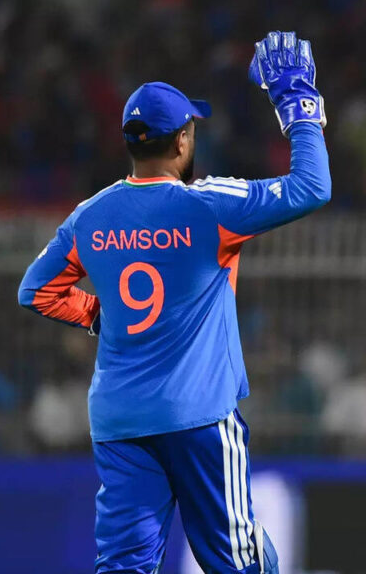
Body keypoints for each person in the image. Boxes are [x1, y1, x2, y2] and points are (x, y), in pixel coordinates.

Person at [18, 31, 330, 574]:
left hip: (120, 418)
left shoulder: (90, 216)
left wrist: (95, 314)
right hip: (198, 414)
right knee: (239, 562)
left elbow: (35, 292)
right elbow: (312, 187)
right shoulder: (209, 205)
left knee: (124, 565)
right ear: (183, 141)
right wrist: (297, 103)